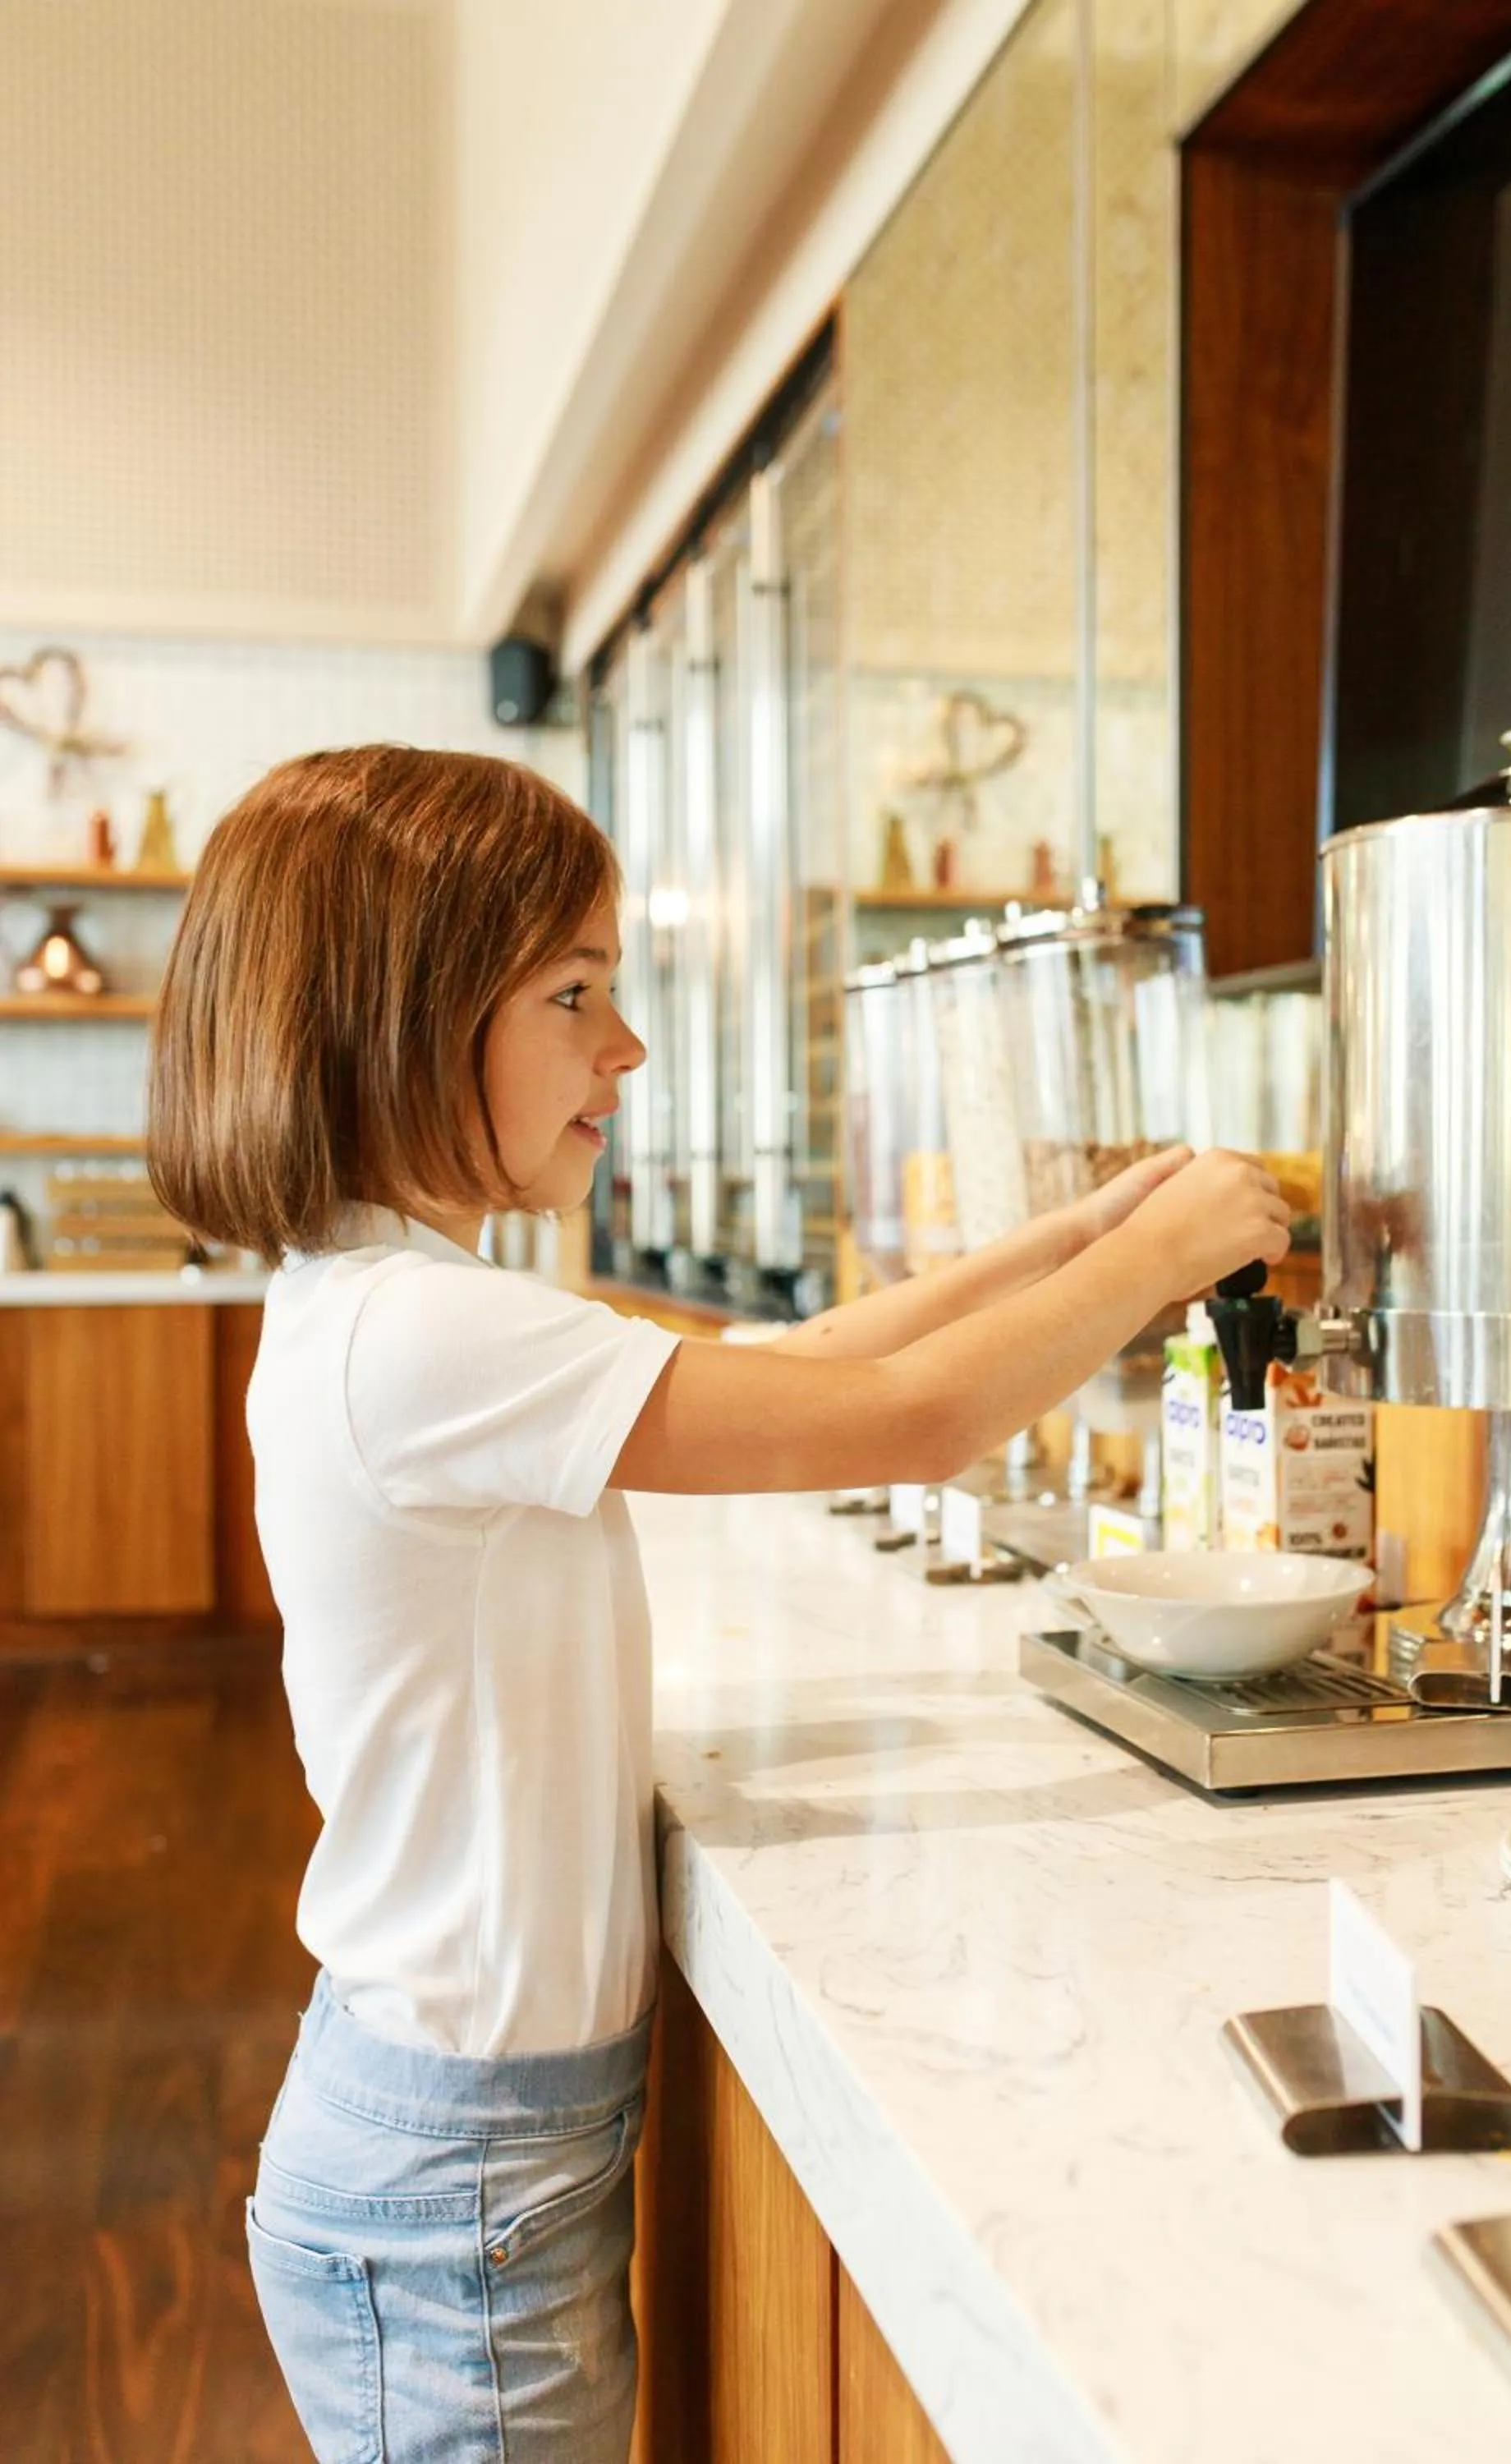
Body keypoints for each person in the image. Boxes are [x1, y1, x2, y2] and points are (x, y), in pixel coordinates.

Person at [146, 744, 1288, 2464]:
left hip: (464, 2139)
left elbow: (790, 1363)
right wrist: (1163, 1260)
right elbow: (902, 1422)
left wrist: (1071, 1238)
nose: (629, 1046)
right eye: (577, 993)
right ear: (404, 1011)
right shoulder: (422, 1332)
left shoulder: (392, 1304)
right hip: (459, 2173)